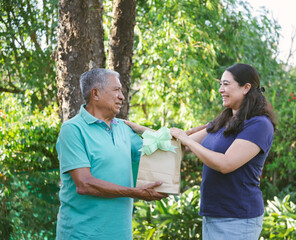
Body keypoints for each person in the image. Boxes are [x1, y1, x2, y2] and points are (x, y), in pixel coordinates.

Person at [55, 68, 167, 240]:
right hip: (82, 235)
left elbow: (165, 145)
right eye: (116, 90)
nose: (122, 96)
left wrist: (142, 129)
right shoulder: (73, 129)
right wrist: (133, 192)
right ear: (96, 94)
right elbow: (85, 184)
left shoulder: (123, 128)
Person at [170, 63, 276, 240]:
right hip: (214, 213)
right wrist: (136, 130)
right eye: (220, 84)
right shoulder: (224, 120)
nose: (220, 90)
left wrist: (186, 138)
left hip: (237, 217)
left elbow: (226, 164)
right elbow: (181, 144)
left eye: (226, 84)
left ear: (246, 88)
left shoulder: (259, 125)